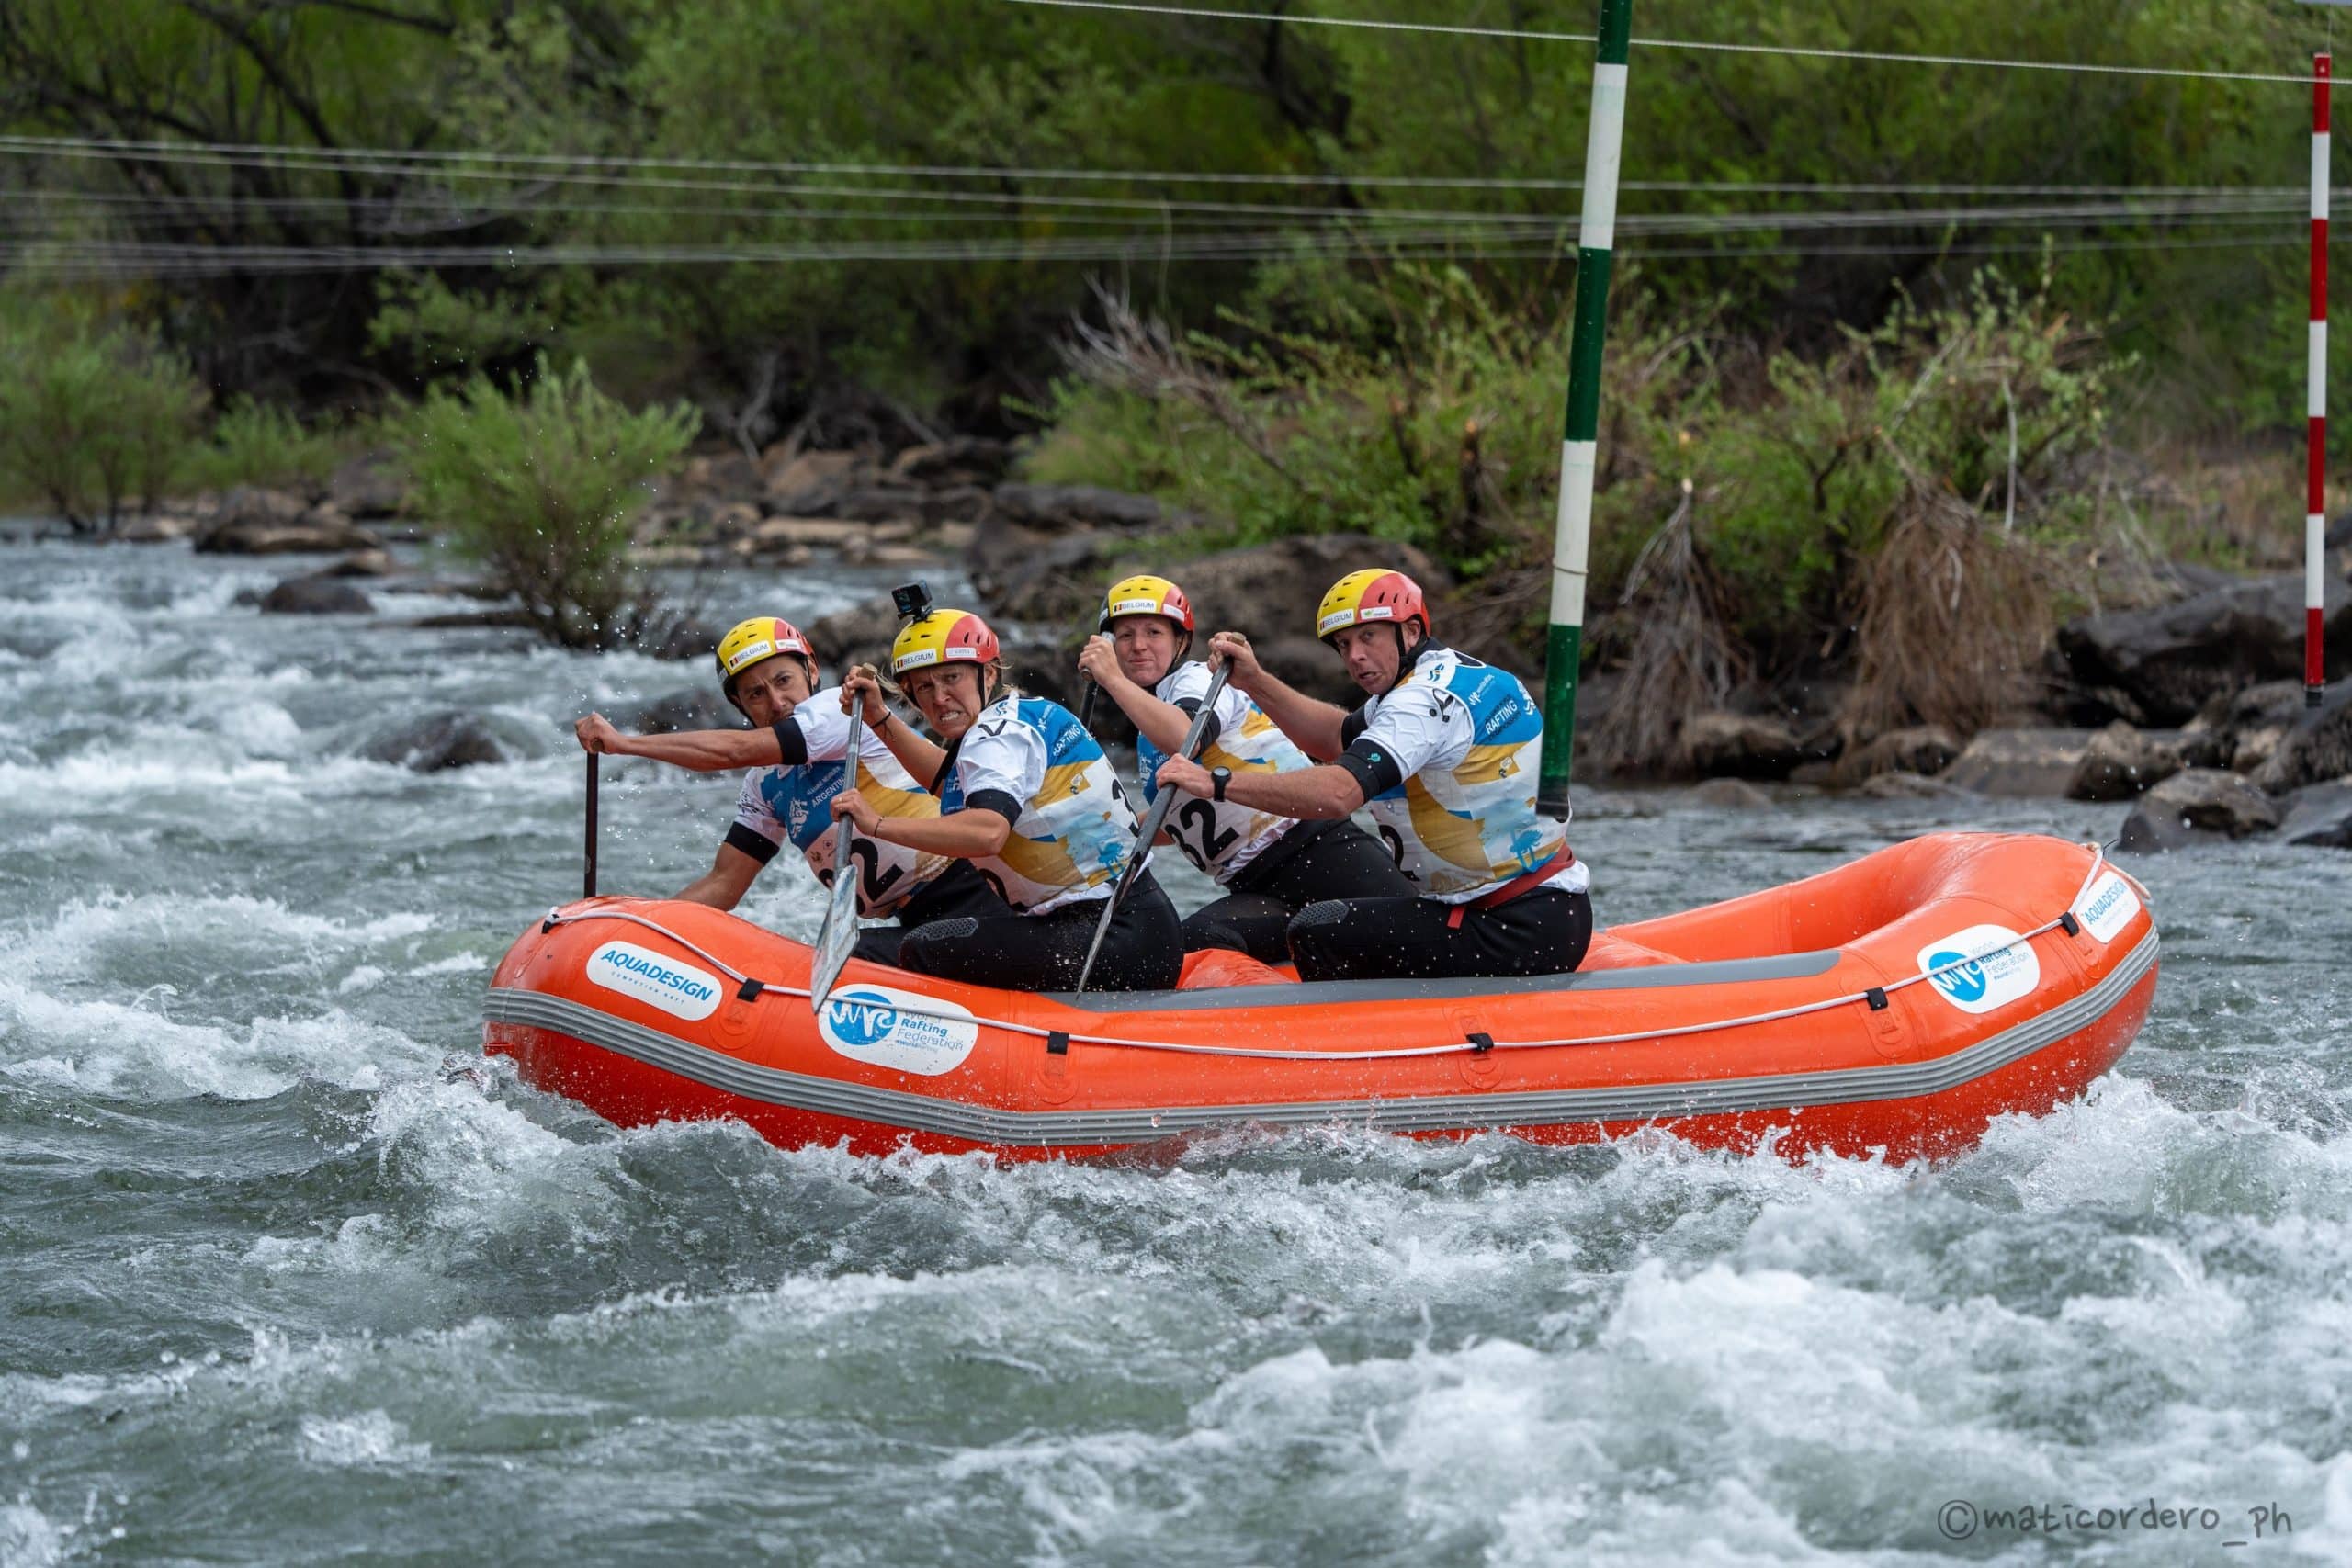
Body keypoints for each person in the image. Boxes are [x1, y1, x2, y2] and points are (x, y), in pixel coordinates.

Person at [1152, 570, 1592, 982]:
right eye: (1344, 645)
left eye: (1368, 637)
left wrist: (1217, 784)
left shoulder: (1420, 703)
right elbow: (1335, 738)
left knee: (1318, 928)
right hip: (1544, 908)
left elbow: (1340, 794)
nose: (1355, 656)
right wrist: (1254, 681)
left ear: (1411, 632)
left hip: (1511, 927)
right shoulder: (1443, 676)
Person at [573, 615, 1010, 965]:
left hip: (976, 894)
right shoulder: (765, 784)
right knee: (843, 955)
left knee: (843, 960)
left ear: (811, 672)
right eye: (755, 694)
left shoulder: (840, 712)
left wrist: (625, 744)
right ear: (740, 706)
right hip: (913, 918)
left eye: (783, 681)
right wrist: (641, 929)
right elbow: (724, 883)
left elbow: (735, 750)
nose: (776, 702)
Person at [830, 605, 1183, 992]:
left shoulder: (995, 736)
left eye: (951, 678)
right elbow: (948, 781)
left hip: (1112, 939)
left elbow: (987, 832)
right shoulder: (1017, 718)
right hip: (1137, 926)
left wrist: (877, 824)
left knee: (922, 945)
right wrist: (879, 717)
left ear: (989, 674)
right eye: (924, 687)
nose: (941, 697)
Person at [1074, 573, 1414, 963]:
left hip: (1323, 855)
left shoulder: (1200, 680)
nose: (1138, 646)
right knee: (1194, 942)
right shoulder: (1149, 725)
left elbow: (1186, 736)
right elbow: (1183, 819)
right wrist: (1113, 832)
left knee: (1405, 947)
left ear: (1181, 642)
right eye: (1125, 636)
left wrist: (1111, 679)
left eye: (1153, 633)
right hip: (1256, 883)